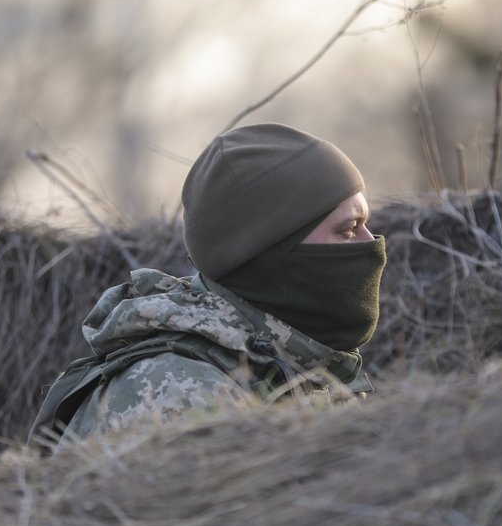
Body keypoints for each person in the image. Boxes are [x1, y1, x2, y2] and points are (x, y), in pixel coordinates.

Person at [30, 123, 386, 446]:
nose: (370, 242)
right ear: (272, 253)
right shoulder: (178, 394)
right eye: (348, 229)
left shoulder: (296, 367)